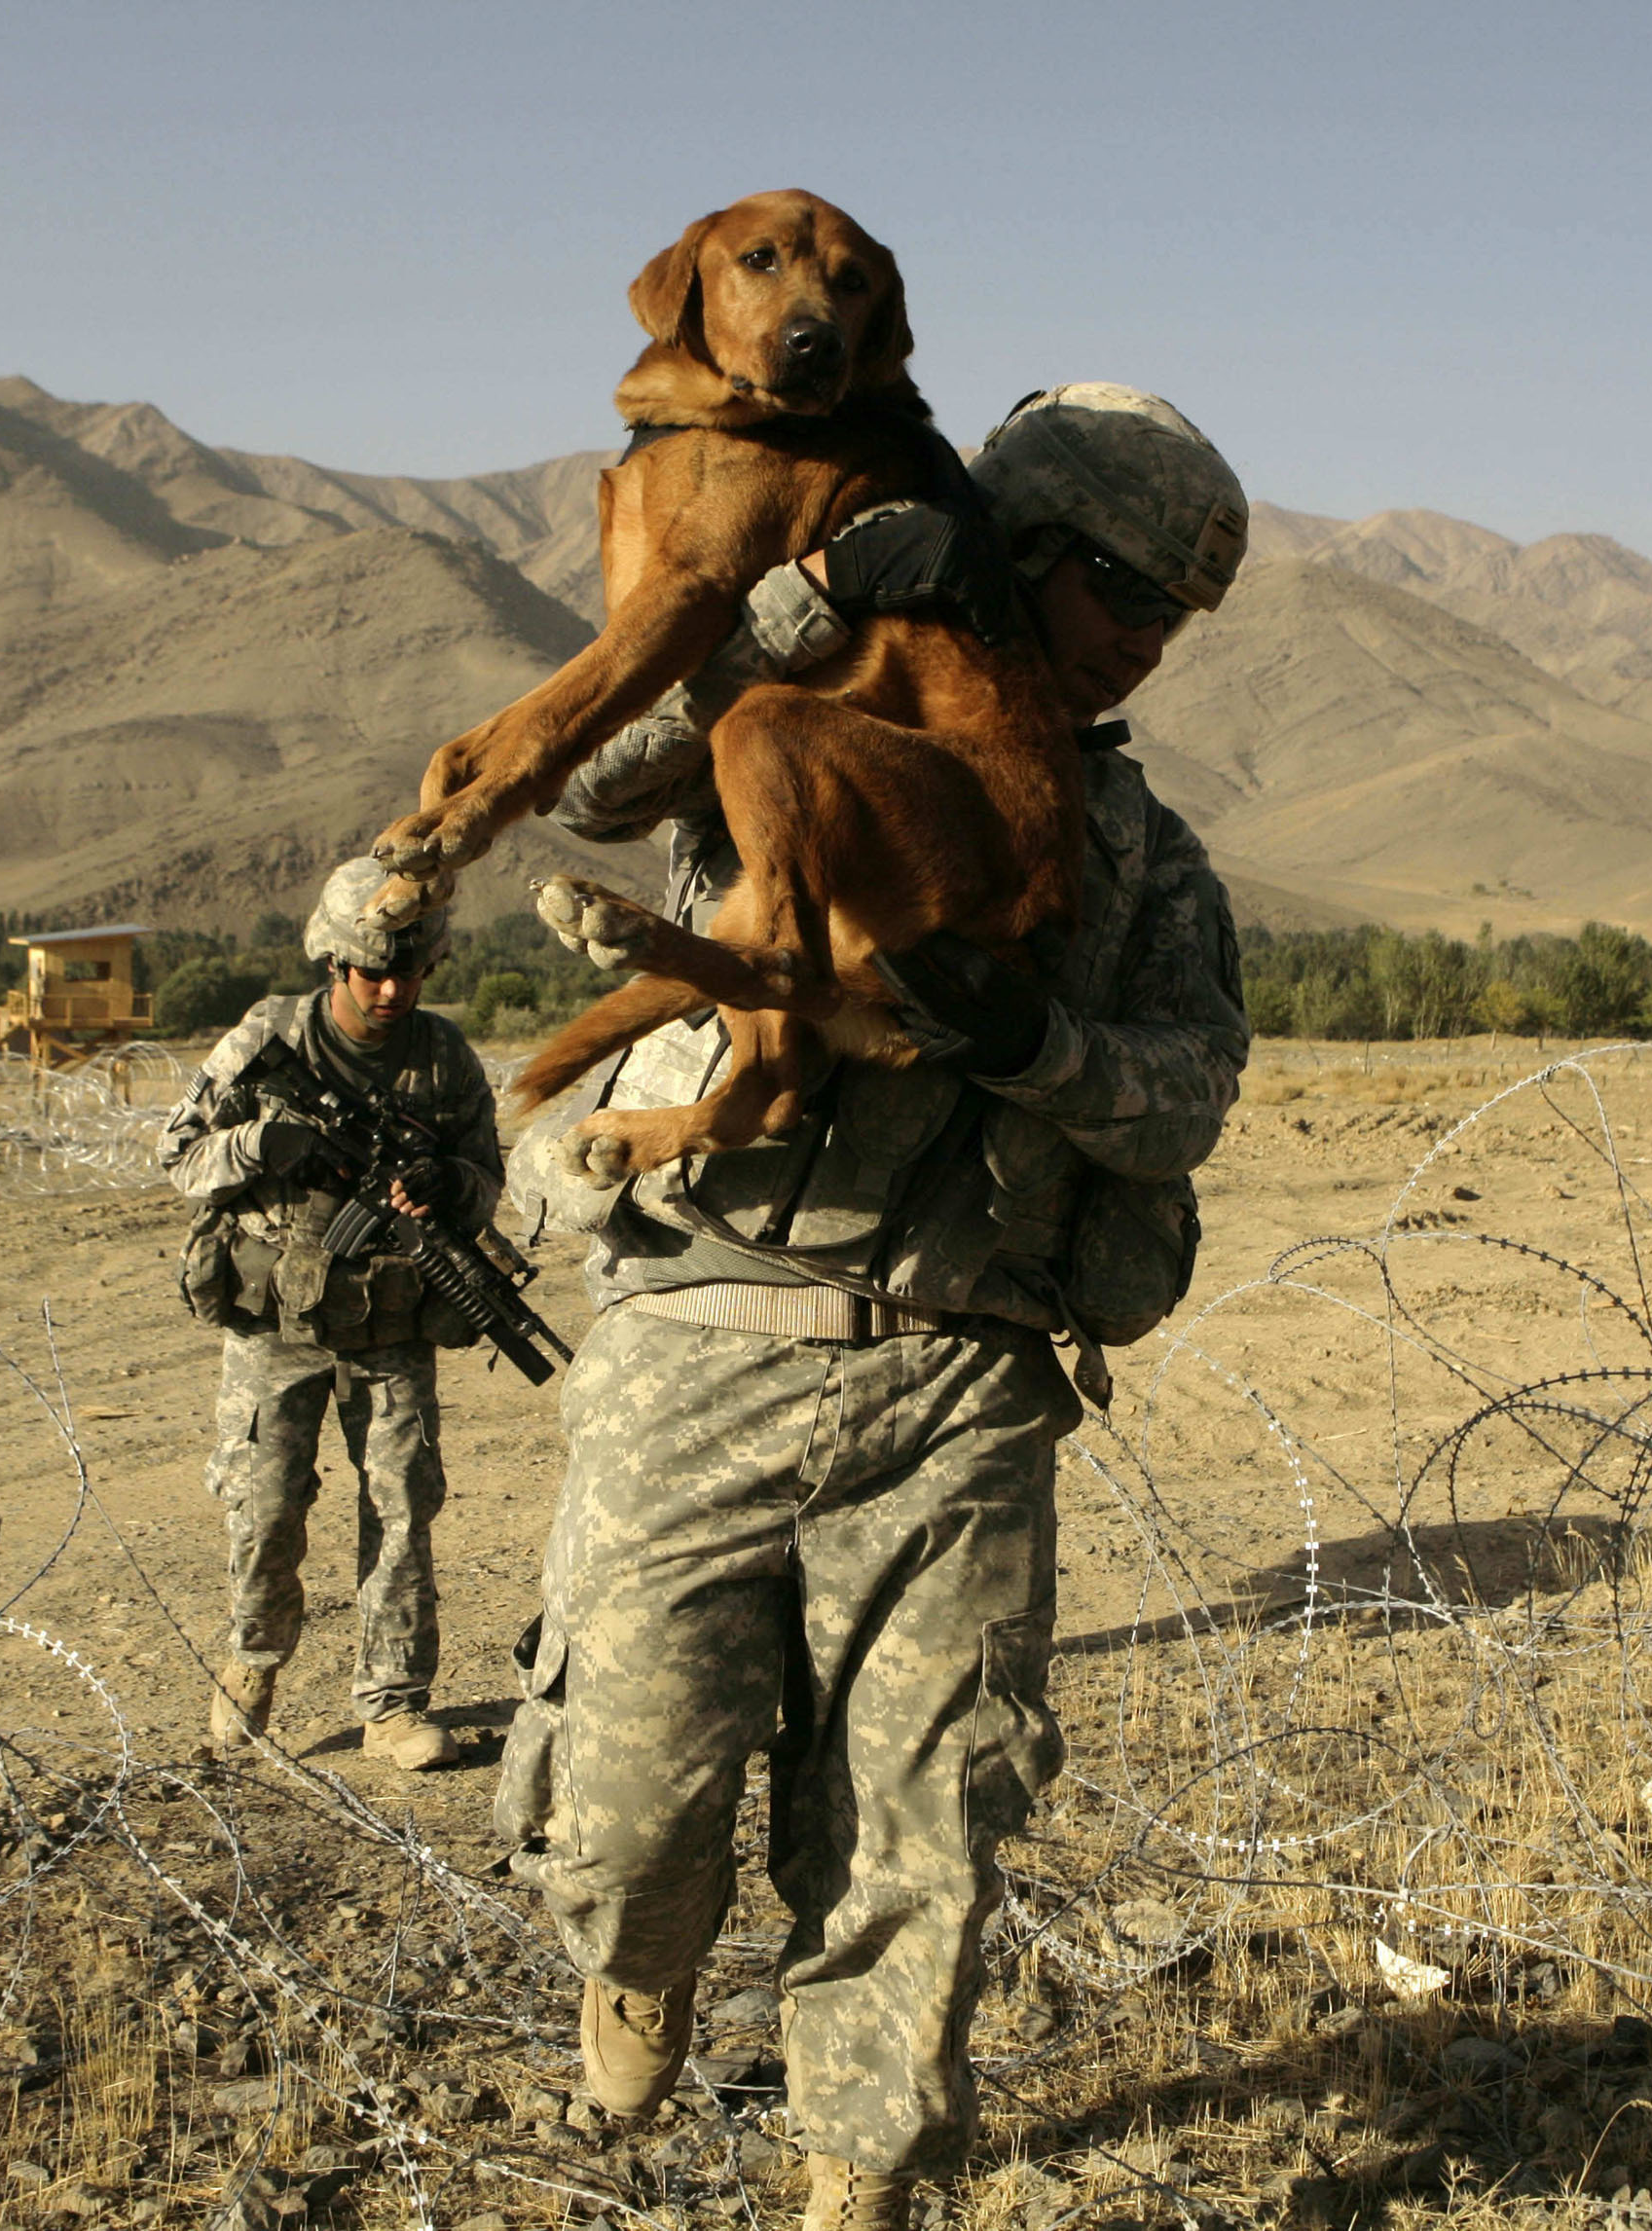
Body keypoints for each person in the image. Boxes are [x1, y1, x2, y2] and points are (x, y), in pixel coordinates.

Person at [494, 386, 1256, 2230]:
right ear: (1021, 552)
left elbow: (1191, 1087)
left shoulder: (1139, 854)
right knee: (631, 1804)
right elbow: (589, 787)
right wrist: (800, 608)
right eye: (1118, 591)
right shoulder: (794, 706)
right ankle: (639, 1961)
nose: (1144, 639)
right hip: (703, 1341)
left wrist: (1042, 1045)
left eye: (1174, 614)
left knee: (920, 1835)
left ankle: (866, 2174)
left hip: (956, 1379)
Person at [158, 858, 506, 1773]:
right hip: (274, 1324)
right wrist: (256, 1144)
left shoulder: (443, 1059)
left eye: (411, 971)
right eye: (372, 970)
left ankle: (391, 1704)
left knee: (399, 1511)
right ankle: (251, 1664)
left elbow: (485, 1186)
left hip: (390, 1324)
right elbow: (178, 1155)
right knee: (266, 1507)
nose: (392, 989)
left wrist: (448, 1186)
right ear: (333, 963)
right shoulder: (270, 1036)